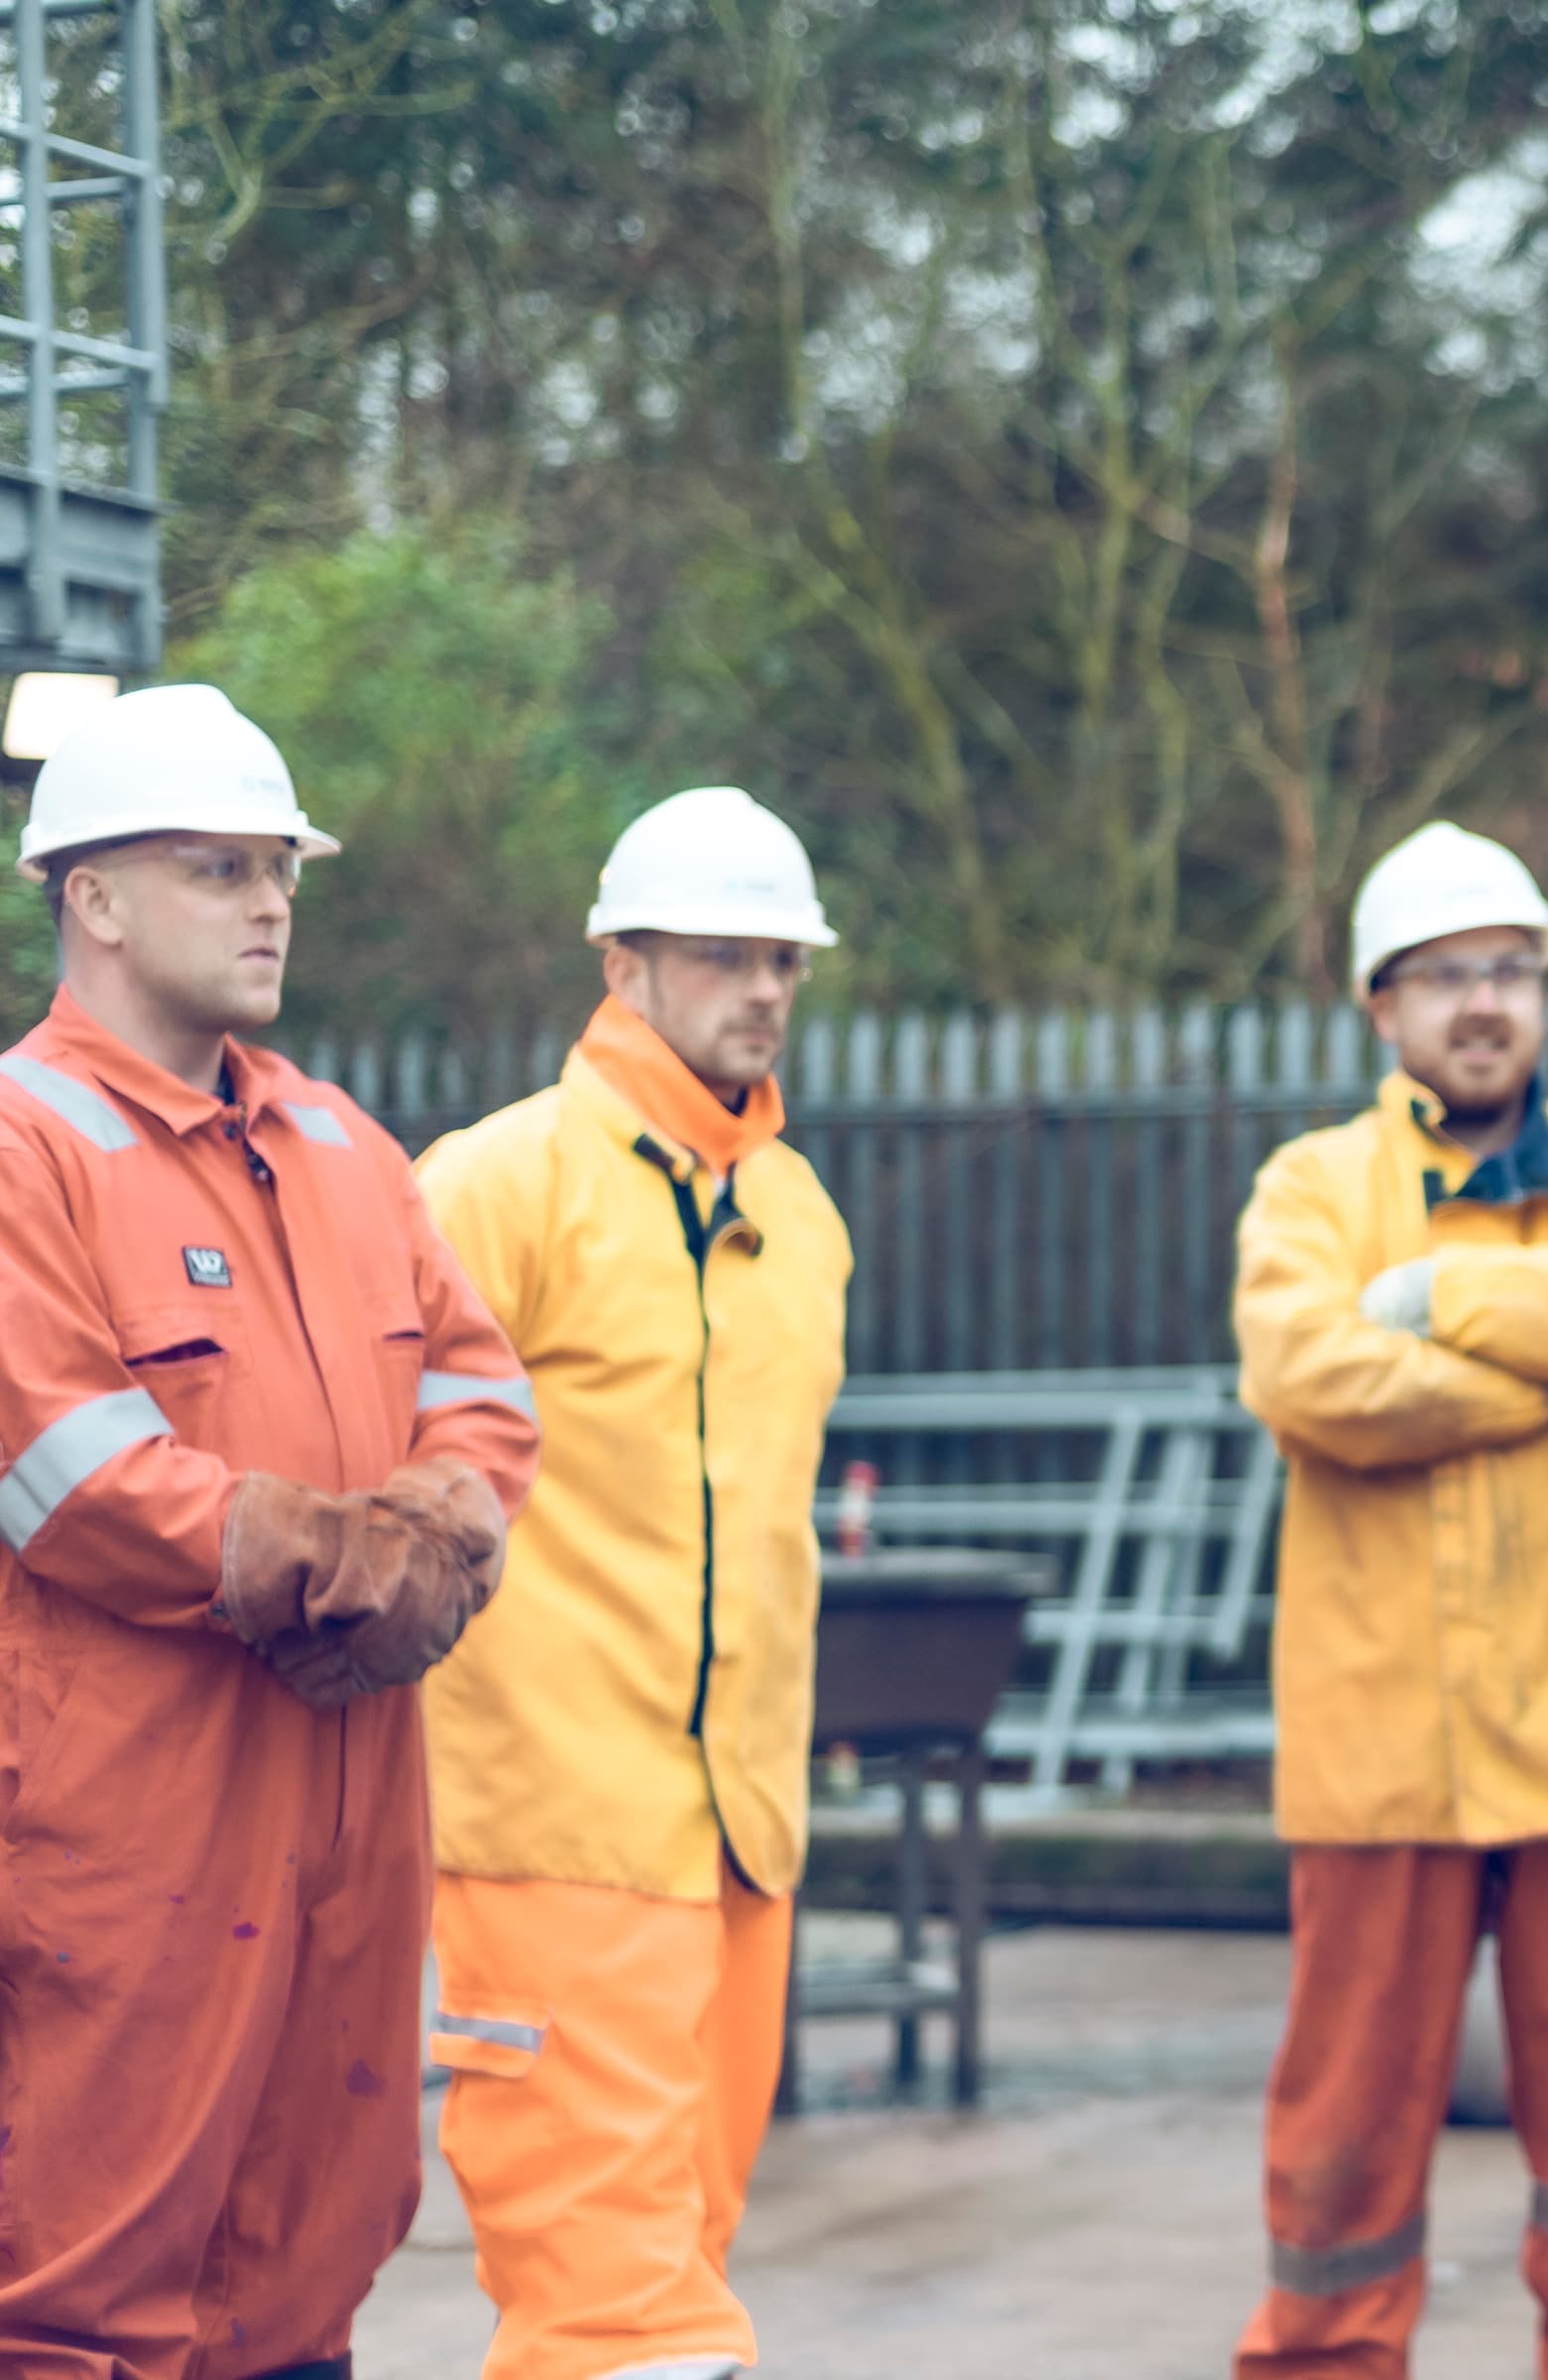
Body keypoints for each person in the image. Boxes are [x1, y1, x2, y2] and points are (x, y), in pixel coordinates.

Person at [0, 684, 539, 2379]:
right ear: (90, 895)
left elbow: (481, 1391)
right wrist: (346, 1562)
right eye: (221, 867)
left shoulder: (341, 1146)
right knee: (95, 2257)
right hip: (133, 1804)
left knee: (321, 2235)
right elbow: (69, 1471)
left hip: (351, 1797)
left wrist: (442, 1526)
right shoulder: (22, 1147)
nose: (270, 901)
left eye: (282, 869)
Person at [1228, 820, 1548, 2380]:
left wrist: (1448, 1295)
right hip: (1387, 1749)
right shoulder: (1311, 1188)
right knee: (1343, 2145)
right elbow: (1310, 1380)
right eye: (1446, 975)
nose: (1483, 1003)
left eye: (1510, 971)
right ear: (1380, 1007)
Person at [408, 787, 854, 2380]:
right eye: (724, 955)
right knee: (616, 2308)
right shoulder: (496, 1182)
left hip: (740, 1832)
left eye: (782, 961)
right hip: (555, 1822)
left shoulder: (798, 1219)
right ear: (622, 966)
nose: (761, 990)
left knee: (676, 2261)